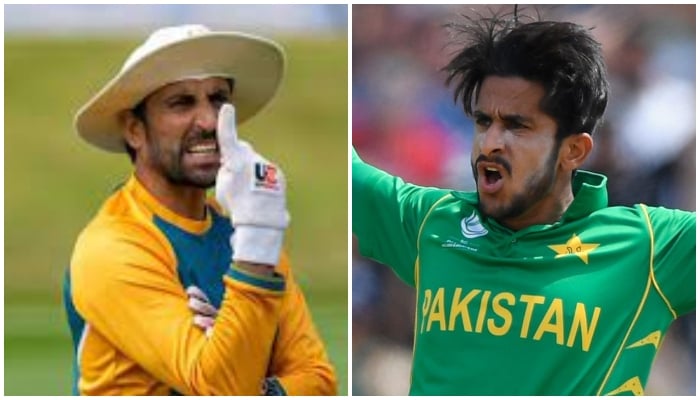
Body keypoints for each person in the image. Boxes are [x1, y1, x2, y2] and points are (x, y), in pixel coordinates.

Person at [352, 11, 695, 396]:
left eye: (517, 126)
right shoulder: (433, 219)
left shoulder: (653, 247)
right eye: (483, 122)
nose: (490, 142)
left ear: (574, 151)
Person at [63, 24, 337, 395]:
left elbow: (319, 380)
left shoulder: (246, 228)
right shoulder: (112, 247)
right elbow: (220, 386)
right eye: (181, 103)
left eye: (218, 99)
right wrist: (259, 234)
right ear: (134, 130)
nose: (209, 122)